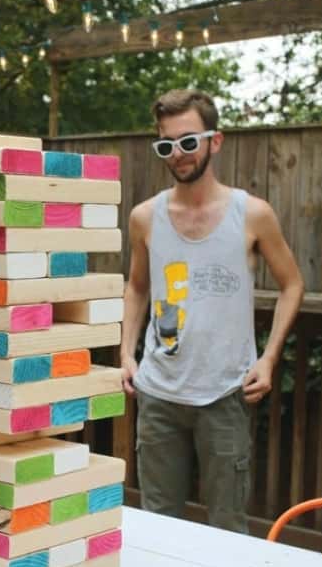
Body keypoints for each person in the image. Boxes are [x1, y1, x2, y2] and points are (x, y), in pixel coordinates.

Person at [121, 88, 304, 533]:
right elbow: (137, 286)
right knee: (159, 527)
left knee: (228, 528)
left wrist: (269, 357)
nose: (178, 154)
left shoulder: (253, 214)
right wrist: (126, 353)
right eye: (167, 145)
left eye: (188, 141)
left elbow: (293, 284)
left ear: (214, 141)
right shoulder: (145, 217)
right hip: (159, 393)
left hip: (226, 393)